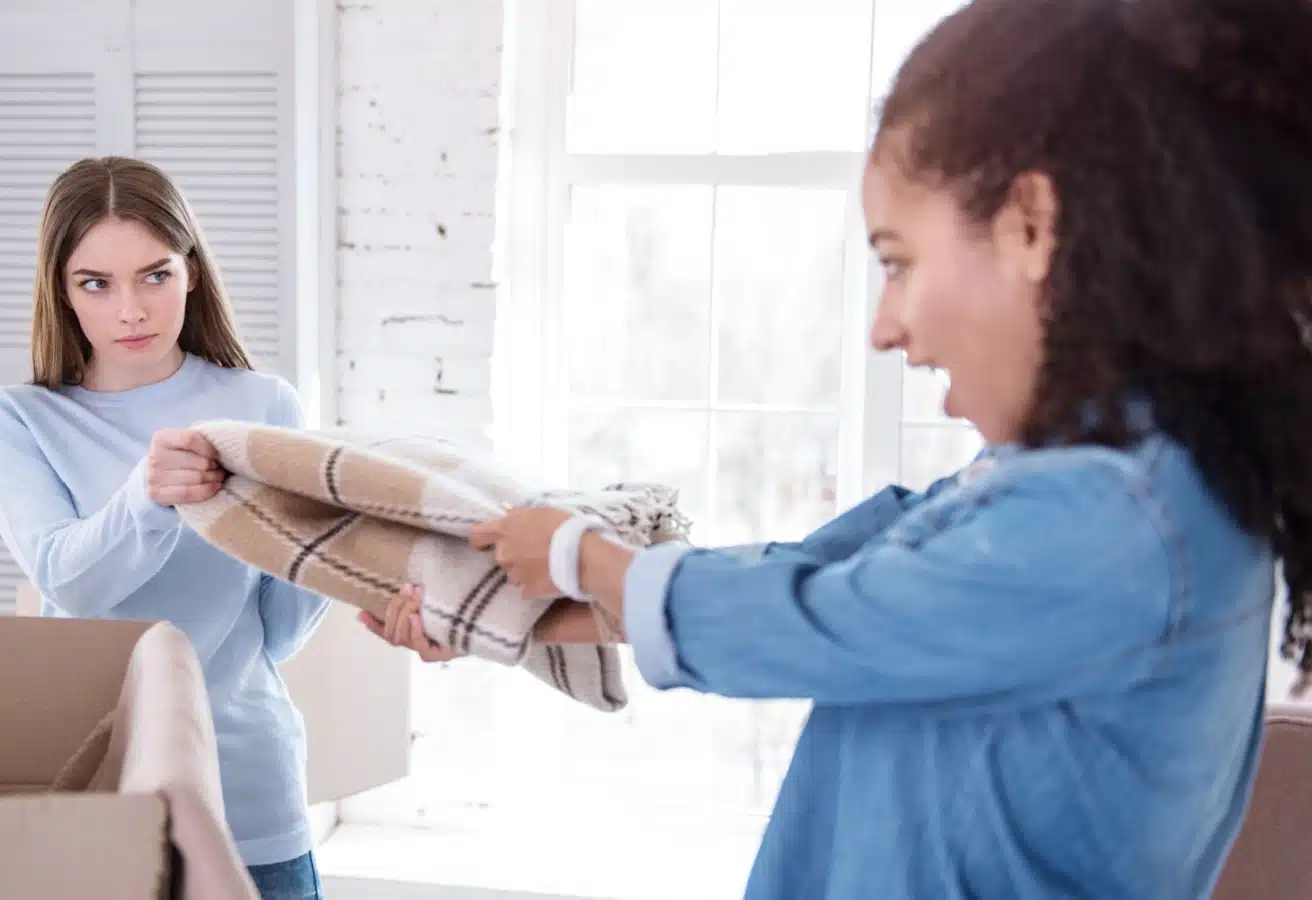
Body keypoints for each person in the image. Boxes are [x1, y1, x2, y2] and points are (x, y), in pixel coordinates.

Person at [373, 0, 1312, 896]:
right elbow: (814, 574)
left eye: (899, 263)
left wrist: (581, 555)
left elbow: (828, 615)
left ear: (1031, 226)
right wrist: (506, 619)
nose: (884, 326)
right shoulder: (1075, 484)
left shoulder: (1115, 522)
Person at [0, 156, 377, 899]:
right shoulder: (16, 418)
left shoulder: (264, 404)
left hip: (249, 785)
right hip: (99, 791)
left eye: (154, 275)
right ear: (61, 290)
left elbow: (277, 633)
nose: (131, 310)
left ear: (191, 272)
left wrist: (328, 546)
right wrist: (147, 497)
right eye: (96, 283)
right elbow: (68, 583)